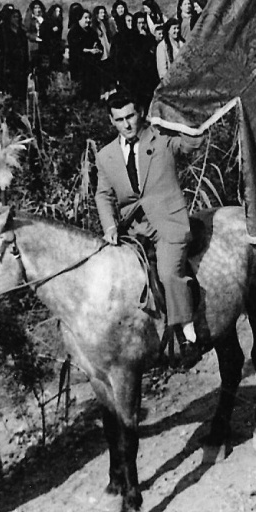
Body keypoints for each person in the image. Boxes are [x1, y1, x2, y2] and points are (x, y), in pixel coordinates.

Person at [94, 93, 205, 367]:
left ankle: (188, 337)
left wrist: (179, 114)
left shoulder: (162, 138)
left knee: (168, 272)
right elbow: (103, 195)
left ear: (141, 112)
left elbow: (193, 142)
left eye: (130, 116)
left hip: (168, 223)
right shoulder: (106, 155)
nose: (127, 125)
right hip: (131, 230)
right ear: (112, 121)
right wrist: (109, 225)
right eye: (119, 120)